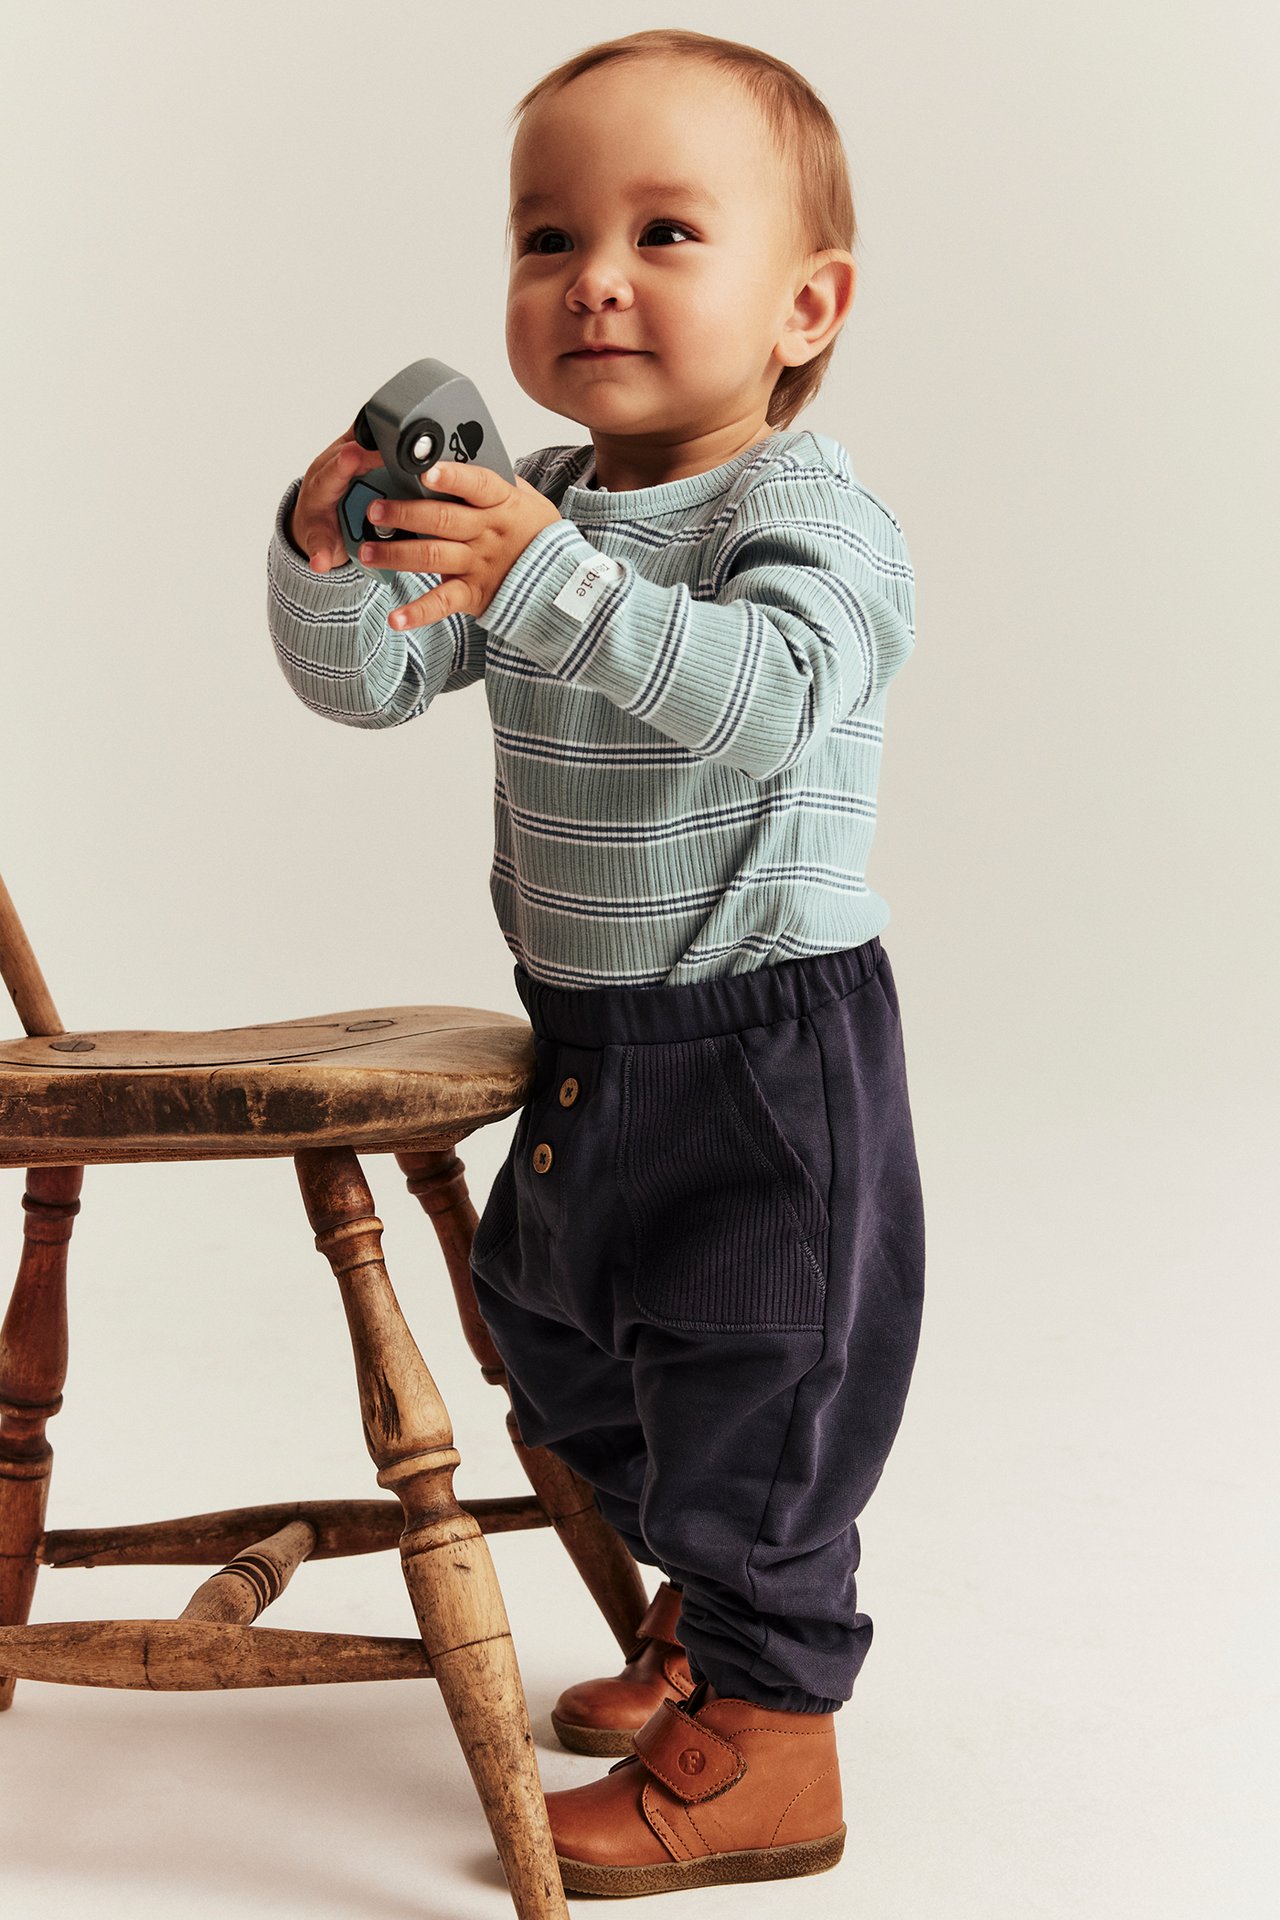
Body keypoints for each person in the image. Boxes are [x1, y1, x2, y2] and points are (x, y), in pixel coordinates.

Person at [267, 27, 926, 1899]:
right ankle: (703, 1625)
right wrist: (331, 556)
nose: (592, 279)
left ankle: (774, 1746)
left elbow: (769, 704)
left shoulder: (809, 521)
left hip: (764, 1044)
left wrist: (547, 571)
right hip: (592, 1035)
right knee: (563, 1356)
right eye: (547, 239)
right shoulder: (546, 496)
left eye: (663, 231)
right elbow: (376, 680)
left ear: (808, 305)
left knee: (757, 1380)